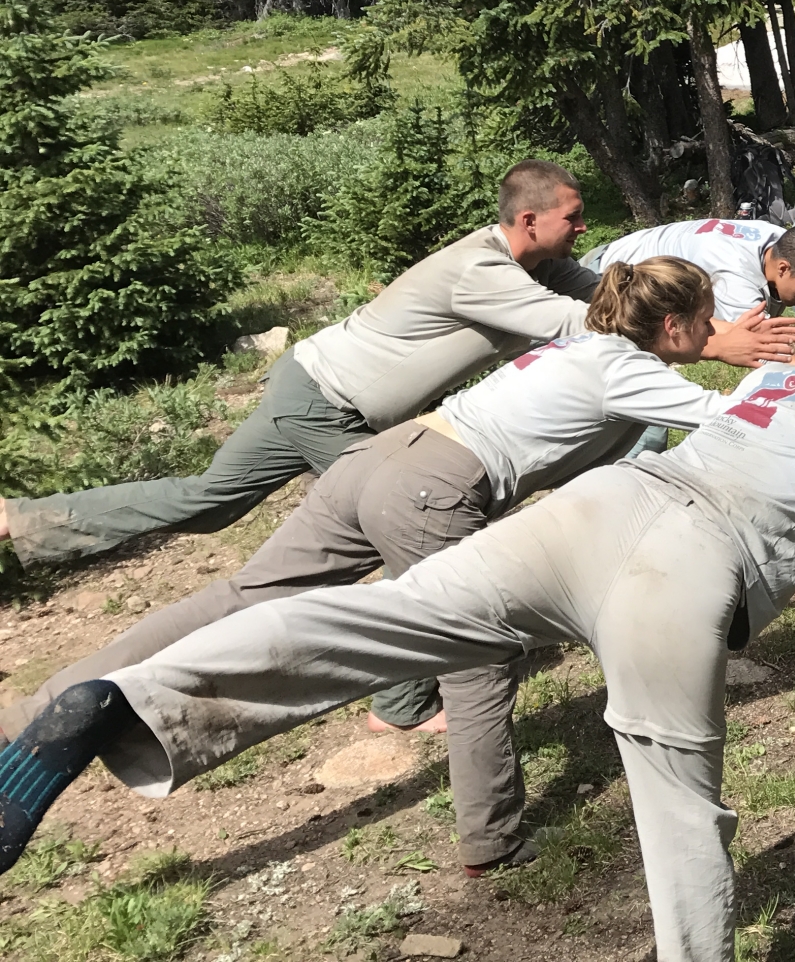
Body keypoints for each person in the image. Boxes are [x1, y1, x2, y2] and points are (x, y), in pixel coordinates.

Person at [0, 291, 795, 962]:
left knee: (381, 620)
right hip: (673, 568)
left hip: (590, 512)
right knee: (675, 792)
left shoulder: (765, 395)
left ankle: (131, 697)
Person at [0, 258, 732, 876]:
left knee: (244, 593)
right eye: (707, 317)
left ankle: (39, 714)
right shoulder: (627, 369)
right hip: (433, 489)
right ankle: (493, 841)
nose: (712, 329)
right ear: (672, 327)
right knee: (479, 659)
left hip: (378, 458)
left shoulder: (575, 347)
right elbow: (727, 417)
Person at [0, 160, 603, 571]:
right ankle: (404, 699)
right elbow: (579, 323)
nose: (582, 227)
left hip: (310, 381)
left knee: (210, 503)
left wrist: (682, 292)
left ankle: (21, 520)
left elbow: (603, 296)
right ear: (530, 221)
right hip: (324, 400)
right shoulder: (484, 270)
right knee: (403, 516)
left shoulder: (538, 265)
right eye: (573, 218)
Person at [584, 220, 795, 454]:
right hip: (602, 284)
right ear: (782, 269)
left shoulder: (794, 248)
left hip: (640, 292)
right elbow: (773, 358)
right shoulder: (735, 276)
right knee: (643, 416)